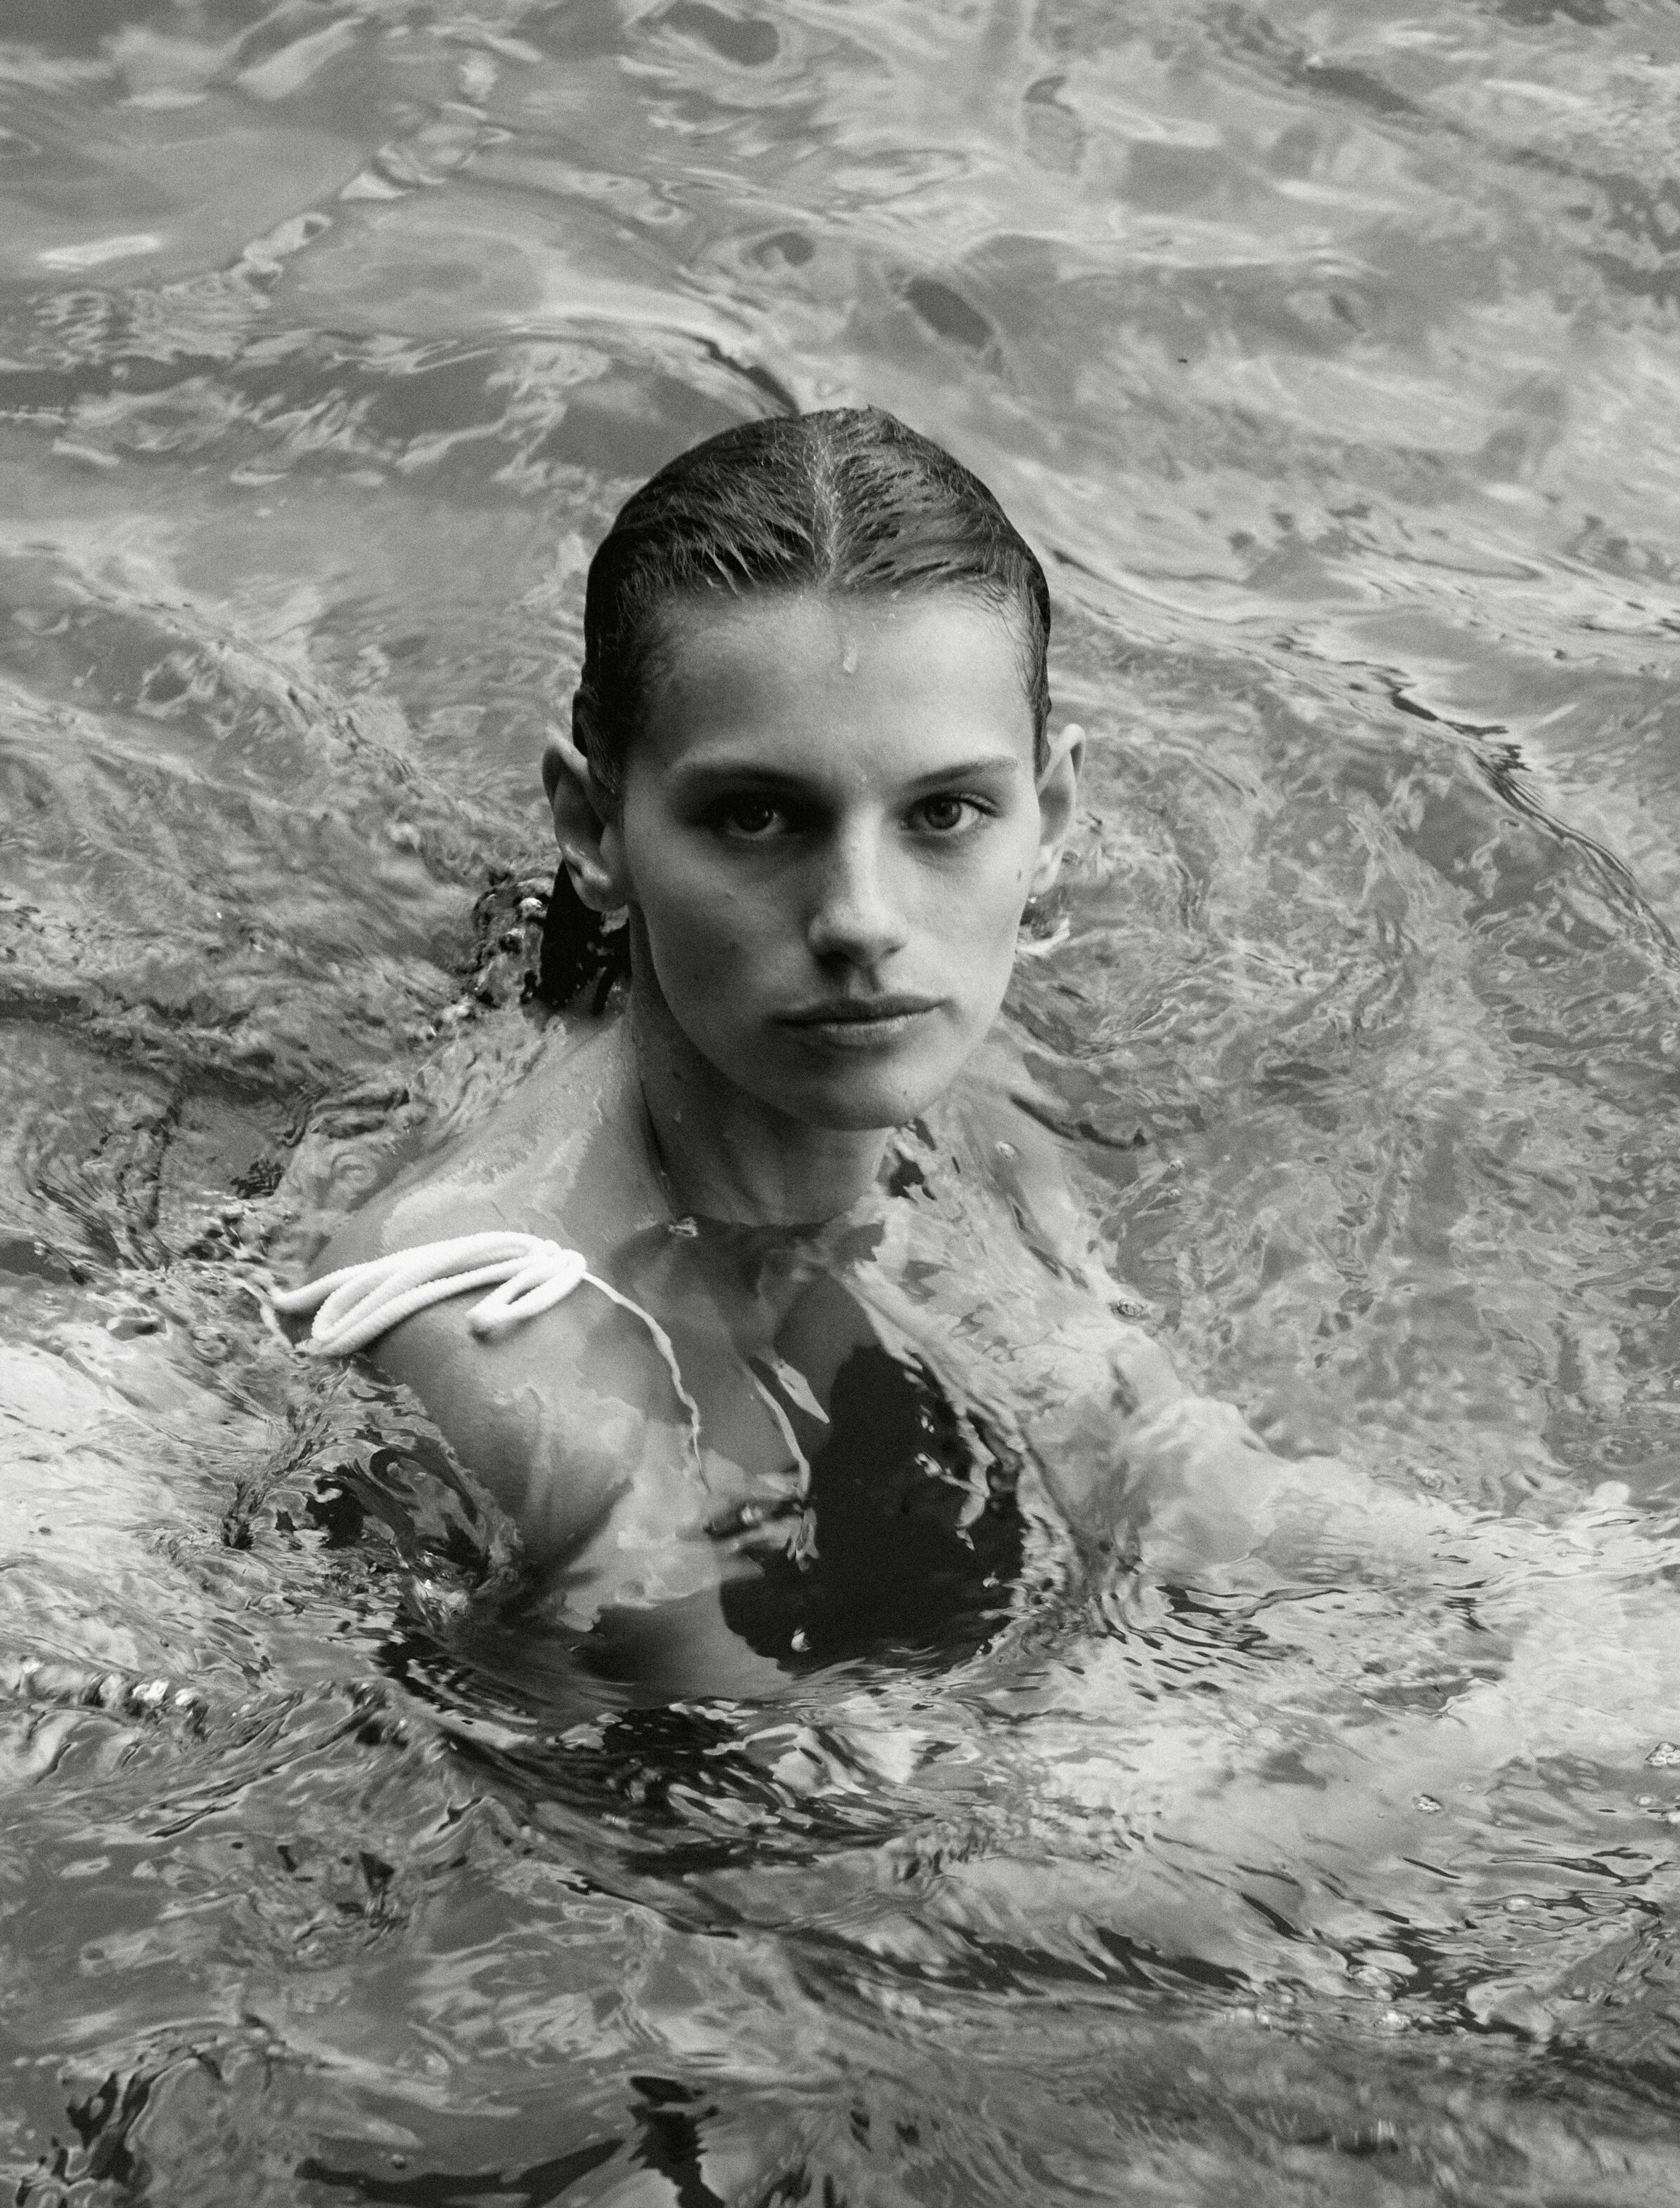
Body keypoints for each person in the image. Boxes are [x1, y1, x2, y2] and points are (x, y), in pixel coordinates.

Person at [282, 409, 1397, 1697]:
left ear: (1048, 821)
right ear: (596, 827)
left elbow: (1193, 1480)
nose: (863, 920)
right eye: (758, 817)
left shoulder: (962, 1091)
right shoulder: (513, 1351)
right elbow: (812, 1808)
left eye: (945, 813)